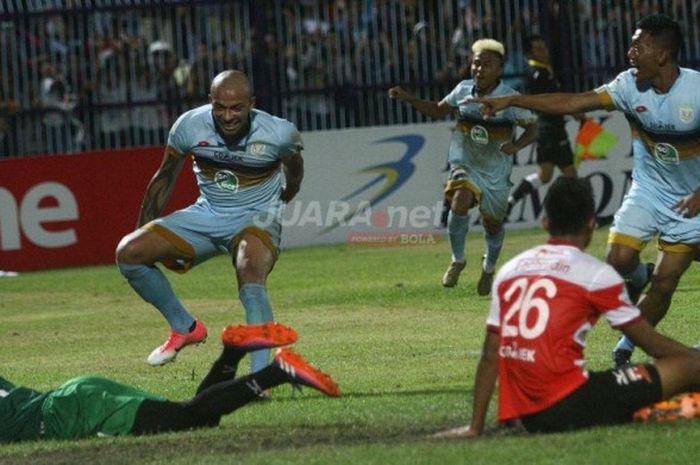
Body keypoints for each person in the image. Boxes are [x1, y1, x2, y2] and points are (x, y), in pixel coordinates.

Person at [470, 15, 700, 367]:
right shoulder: (628, 86)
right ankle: (638, 275)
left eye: (639, 45)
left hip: (693, 202)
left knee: (666, 282)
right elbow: (573, 103)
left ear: (662, 55)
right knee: (617, 260)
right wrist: (514, 100)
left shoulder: (695, 92)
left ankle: (624, 347)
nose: (630, 52)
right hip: (649, 192)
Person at [438, 177, 700, 437]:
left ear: (545, 223)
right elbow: (651, 344)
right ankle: (661, 409)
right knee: (685, 368)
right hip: (567, 404)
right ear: (591, 224)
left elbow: (490, 354)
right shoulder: (597, 274)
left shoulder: (511, 270)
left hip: (520, 414)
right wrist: (693, 358)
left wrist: (475, 427)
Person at [116, 70, 304, 371]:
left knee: (250, 274)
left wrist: (288, 192)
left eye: (236, 108)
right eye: (220, 107)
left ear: (251, 104)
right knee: (128, 252)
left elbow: (295, 167)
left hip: (256, 219)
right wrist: (144, 231)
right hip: (207, 215)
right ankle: (184, 327)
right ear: (210, 102)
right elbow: (165, 178)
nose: (227, 116)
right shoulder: (189, 126)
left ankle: (259, 379)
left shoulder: (279, 133)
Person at [0, 322, 339, 443]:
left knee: (191, 418)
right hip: (73, 393)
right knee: (195, 419)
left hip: (73, 415)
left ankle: (279, 371)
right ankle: (232, 354)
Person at [388, 39, 538, 294]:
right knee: (459, 201)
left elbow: (533, 127)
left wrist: (516, 147)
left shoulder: (509, 98)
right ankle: (457, 259)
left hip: (495, 172)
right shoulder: (462, 90)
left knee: (492, 225)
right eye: (476, 63)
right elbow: (438, 110)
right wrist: (408, 98)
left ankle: (489, 268)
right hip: (465, 163)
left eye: (486, 65)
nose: (479, 69)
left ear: (499, 69)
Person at [507, 35, 582, 216]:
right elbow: (553, 102)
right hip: (552, 130)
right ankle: (581, 217)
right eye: (539, 49)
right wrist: (574, 111)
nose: (545, 52)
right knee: (570, 175)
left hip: (546, 130)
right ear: (530, 54)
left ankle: (510, 201)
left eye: (544, 47)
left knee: (544, 175)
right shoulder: (540, 75)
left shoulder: (544, 71)